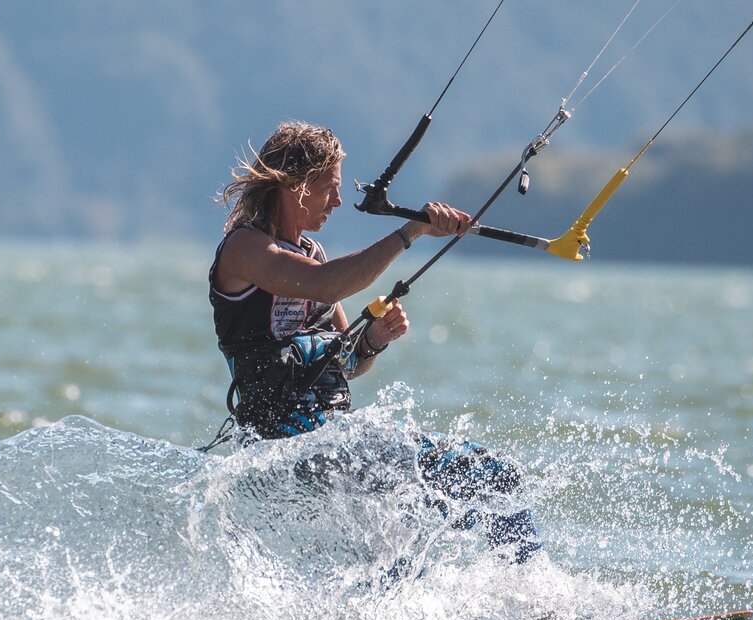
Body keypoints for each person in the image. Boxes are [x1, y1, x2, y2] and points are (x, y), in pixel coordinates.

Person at [208, 121, 541, 563]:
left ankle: (524, 590)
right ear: (295, 185)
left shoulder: (312, 254)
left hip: (335, 443)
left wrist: (372, 340)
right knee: (481, 484)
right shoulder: (244, 248)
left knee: (488, 485)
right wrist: (410, 232)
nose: (338, 201)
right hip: (285, 450)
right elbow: (327, 285)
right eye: (330, 188)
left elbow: (348, 362)